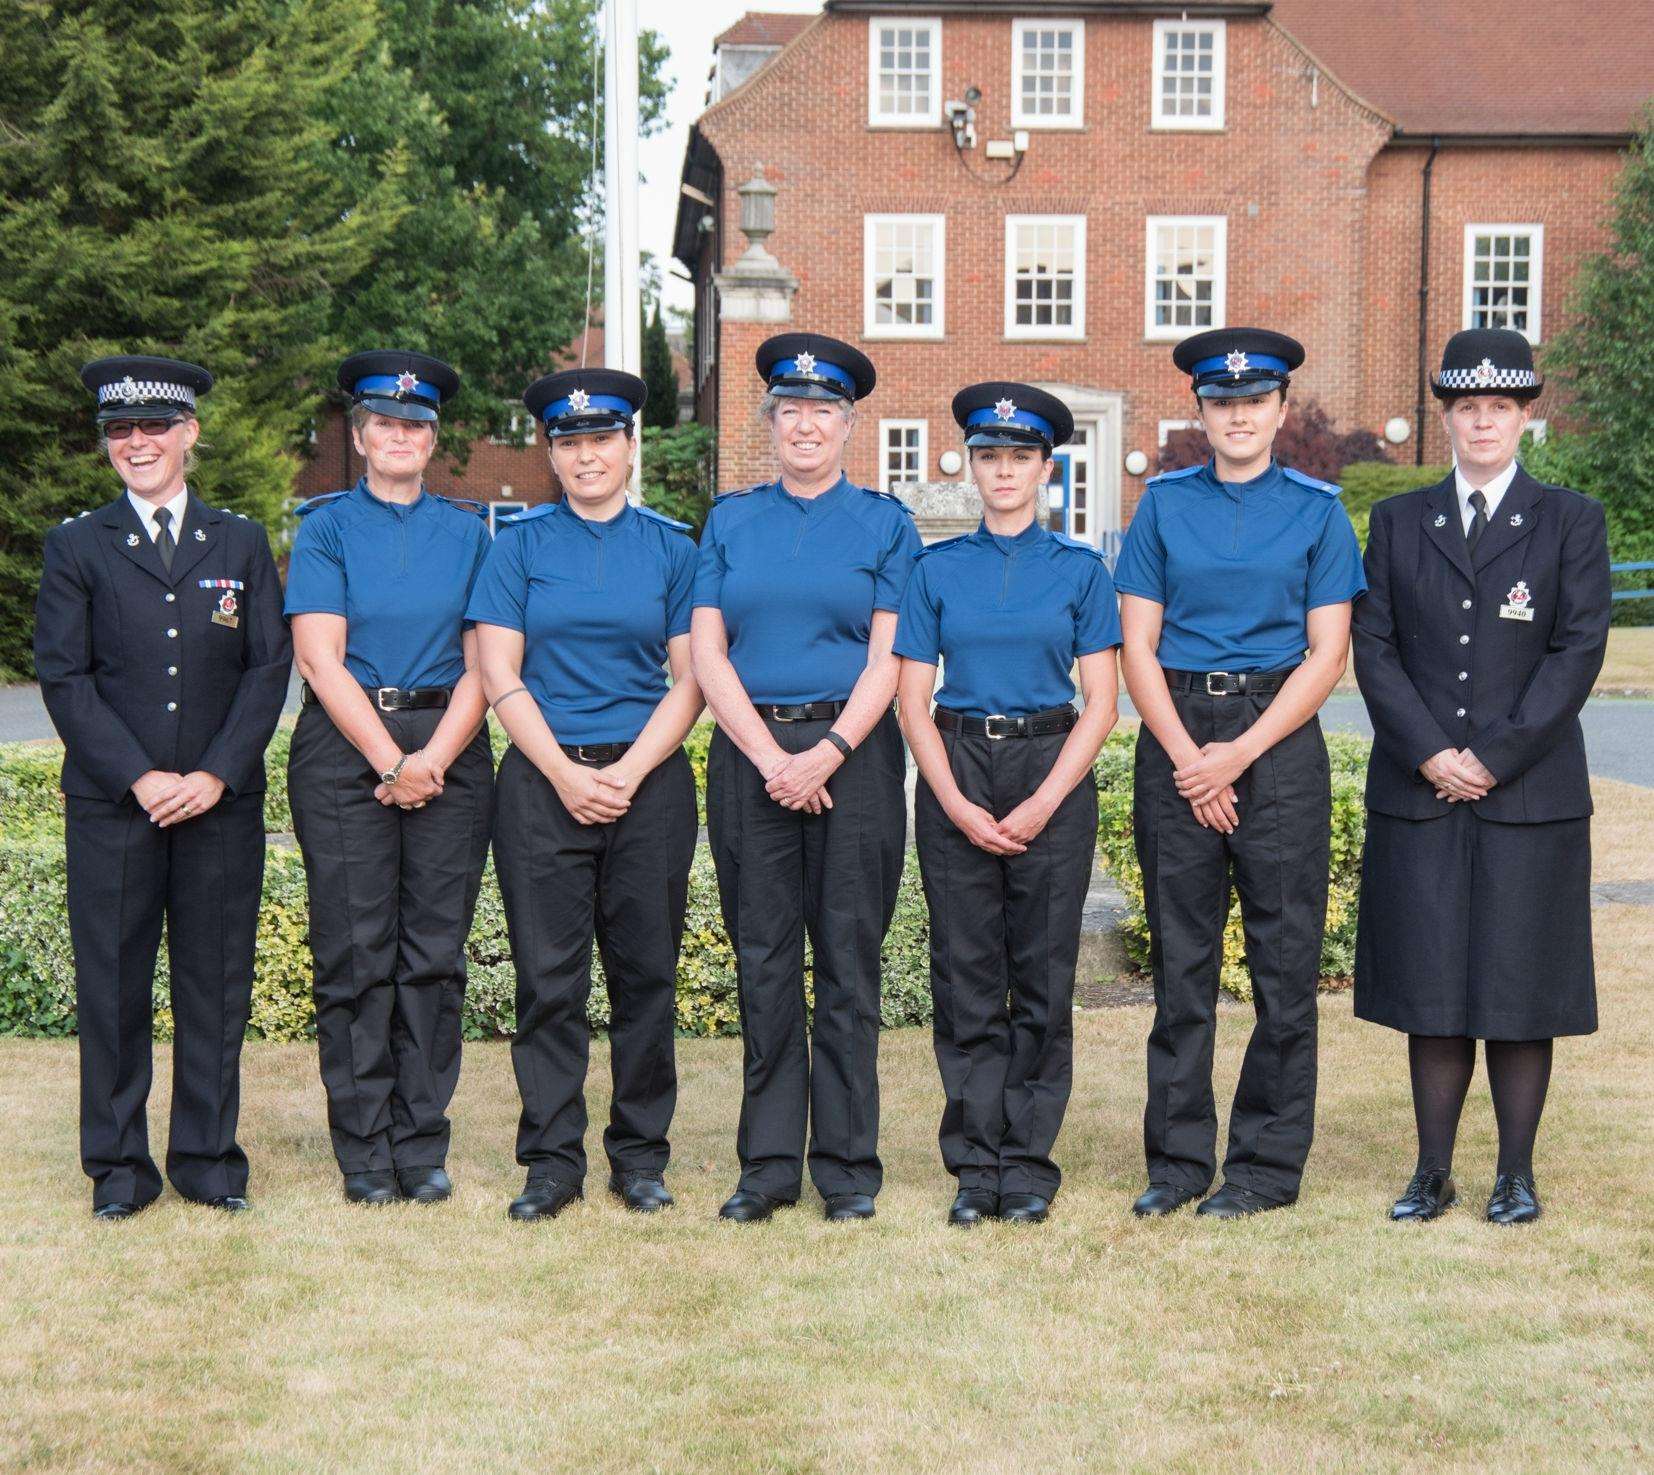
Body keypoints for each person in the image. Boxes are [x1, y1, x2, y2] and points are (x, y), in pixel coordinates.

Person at [1352, 328, 1610, 1225]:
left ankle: (1514, 1172)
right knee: (1433, 986)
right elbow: (1374, 649)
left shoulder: (1571, 520)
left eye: (1500, 407)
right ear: (1448, 418)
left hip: (1527, 798)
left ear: (1524, 417)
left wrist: (1494, 758)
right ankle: (1431, 1170)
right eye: (1468, 408)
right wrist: (1430, 753)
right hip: (1420, 793)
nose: (1484, 422)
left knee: (1517, 984)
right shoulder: (1396, 521)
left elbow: (1577, 651)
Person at [1113, 328, 1365, 1220]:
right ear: (1202, 411)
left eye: (1255, 401)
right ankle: (1178, 1162)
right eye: (1223, 403)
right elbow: (1135, 645)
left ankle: (1262, 1166)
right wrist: (1191, 758)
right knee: (1182, 963)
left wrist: (1239, 753)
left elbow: (1327, 653)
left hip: (1277, 742)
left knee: (1282, 961)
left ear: (1280, 410)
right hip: (1179, 732)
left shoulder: (1317, 511)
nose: (1239, 415)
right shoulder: (1162, 507)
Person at [34, 355, 290, 1219]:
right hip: (115, 807)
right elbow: (64, 679)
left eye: (152, 428)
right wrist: (142, 776)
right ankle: (117, 1168)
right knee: (112, 984)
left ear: (189, 434)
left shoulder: (241, 541)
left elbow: (267, 669)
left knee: (215, 985)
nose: (136, 444)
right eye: (119, 431)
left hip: (220, 808)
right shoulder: (78, 544)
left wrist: (215, 773)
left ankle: (209, 1159)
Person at [691, 332, 922, 1224]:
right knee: (764, 965)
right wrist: (769, 757)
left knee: (850, 966)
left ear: (848, 424)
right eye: (791, 410)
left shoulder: (885, 524)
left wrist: (825, 753)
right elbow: (709, 652)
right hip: (753, 761)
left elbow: (889, 656)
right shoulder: (731, 520)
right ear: (771, 422)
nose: (806, 425)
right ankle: (767, 1165)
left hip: (852, 765)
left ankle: (848, 1168)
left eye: (824, 411)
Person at [468, 369, 703, 1222]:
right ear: (551, 452)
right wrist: (567, 773)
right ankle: (551, 1160)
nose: (586, 455)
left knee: (646, 976)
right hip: (541, 781)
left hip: (649, 781)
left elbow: (691, 680)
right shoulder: (518, 548)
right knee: (550, 981)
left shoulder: (675, 549)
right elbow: (499, 673)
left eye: (602, 439)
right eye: (569, 442)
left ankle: (640, 1157)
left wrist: (629, 772)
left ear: (630, 446)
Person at [895, 383, 1120, 1227]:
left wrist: (1044, 800)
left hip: (1048, 764)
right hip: (960, 761)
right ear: (969, 466)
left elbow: (1102, 701)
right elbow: (913, 700)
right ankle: (974, 1163)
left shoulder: (1080, 571)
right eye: (989, 456)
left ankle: (1027, 1162)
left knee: (1042, 975)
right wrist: (950, 797)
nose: (1003, 471)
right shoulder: (937, 568)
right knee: (965, 977)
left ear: (1045, 470)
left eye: (1019, 458)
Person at [284, 351, 494, 1207]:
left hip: (451, 738)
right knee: (355, 952)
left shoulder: (470, 531)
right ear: (361, 436)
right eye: (384, 424)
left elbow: (489, 660)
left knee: (434, 956)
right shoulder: (326, 527)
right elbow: (319, 659)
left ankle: (421, 1141)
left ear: (431, 437)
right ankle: (364, 1146)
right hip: (348, 748)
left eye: (414, 425)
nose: (399, 437)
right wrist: (391, 762)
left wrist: (434, 758)